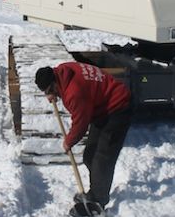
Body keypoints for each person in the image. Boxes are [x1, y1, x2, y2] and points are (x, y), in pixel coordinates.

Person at [35, 62, 132, 209]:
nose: (50, 95)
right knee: (90, 155)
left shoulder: (73, 92)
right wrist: (52, 93)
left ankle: (98, 202)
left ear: (54, 82)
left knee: (102, 160)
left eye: (50, 90)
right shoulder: (63, 70)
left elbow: (81, 124)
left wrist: (69, 142)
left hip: (118, 107)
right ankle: (96, 190)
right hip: (102, 108)